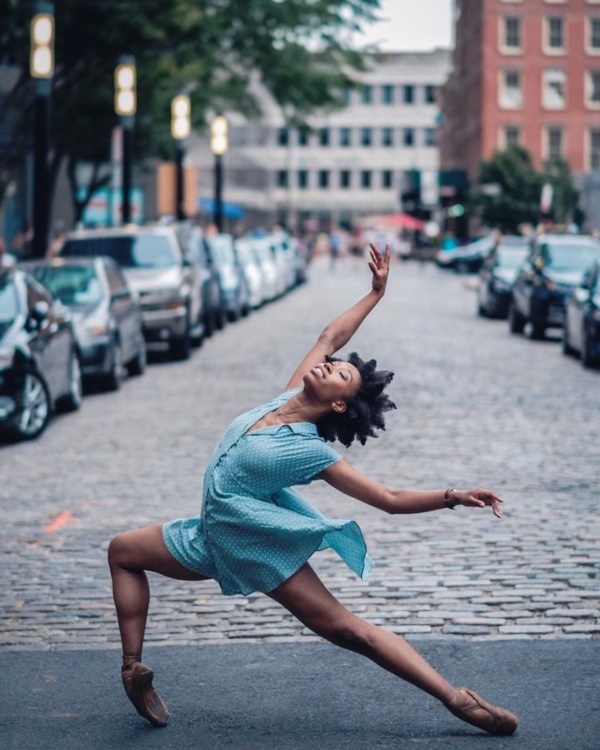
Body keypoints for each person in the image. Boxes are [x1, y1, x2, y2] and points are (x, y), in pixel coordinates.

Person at [108, 242, 518, 736]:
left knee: (350, 631)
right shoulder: (285, 397)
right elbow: (330, 334)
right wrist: (375, 294)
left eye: (339, 373)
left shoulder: (312, 451)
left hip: (256, 546)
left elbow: (386, 499)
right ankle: (134, 671)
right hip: (210, 535)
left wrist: (452, 495)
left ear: (340, 406)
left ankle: (458, 700)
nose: (327, 365)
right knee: (123, 551)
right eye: (333, 363)